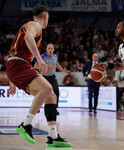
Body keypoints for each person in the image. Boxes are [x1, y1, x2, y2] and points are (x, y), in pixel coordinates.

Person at [6, 6, 71, 147]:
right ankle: (26, 125)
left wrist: (12, 78)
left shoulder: (31, 26)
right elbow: (28, 38)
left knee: (51, 96)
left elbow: (14, 50)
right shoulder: (35, 25)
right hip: (19, 65)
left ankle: (53, 136)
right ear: (46, 17)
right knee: (47, 88)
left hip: (17, 66)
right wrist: (39, 59)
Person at [34, 43, 70, 115]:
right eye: (49, 48)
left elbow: (56, 64)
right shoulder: (42, 57)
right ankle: (37, 107)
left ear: (53, 49)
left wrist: (62, 69)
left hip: (52, 77)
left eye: (51, 48)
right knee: (40, 92)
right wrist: (44, 66)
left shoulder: (55, 56)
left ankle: (55, 108)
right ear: (46, 49)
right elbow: (35, 66)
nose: (50, 50)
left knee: (56, 90)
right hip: (44, 77)